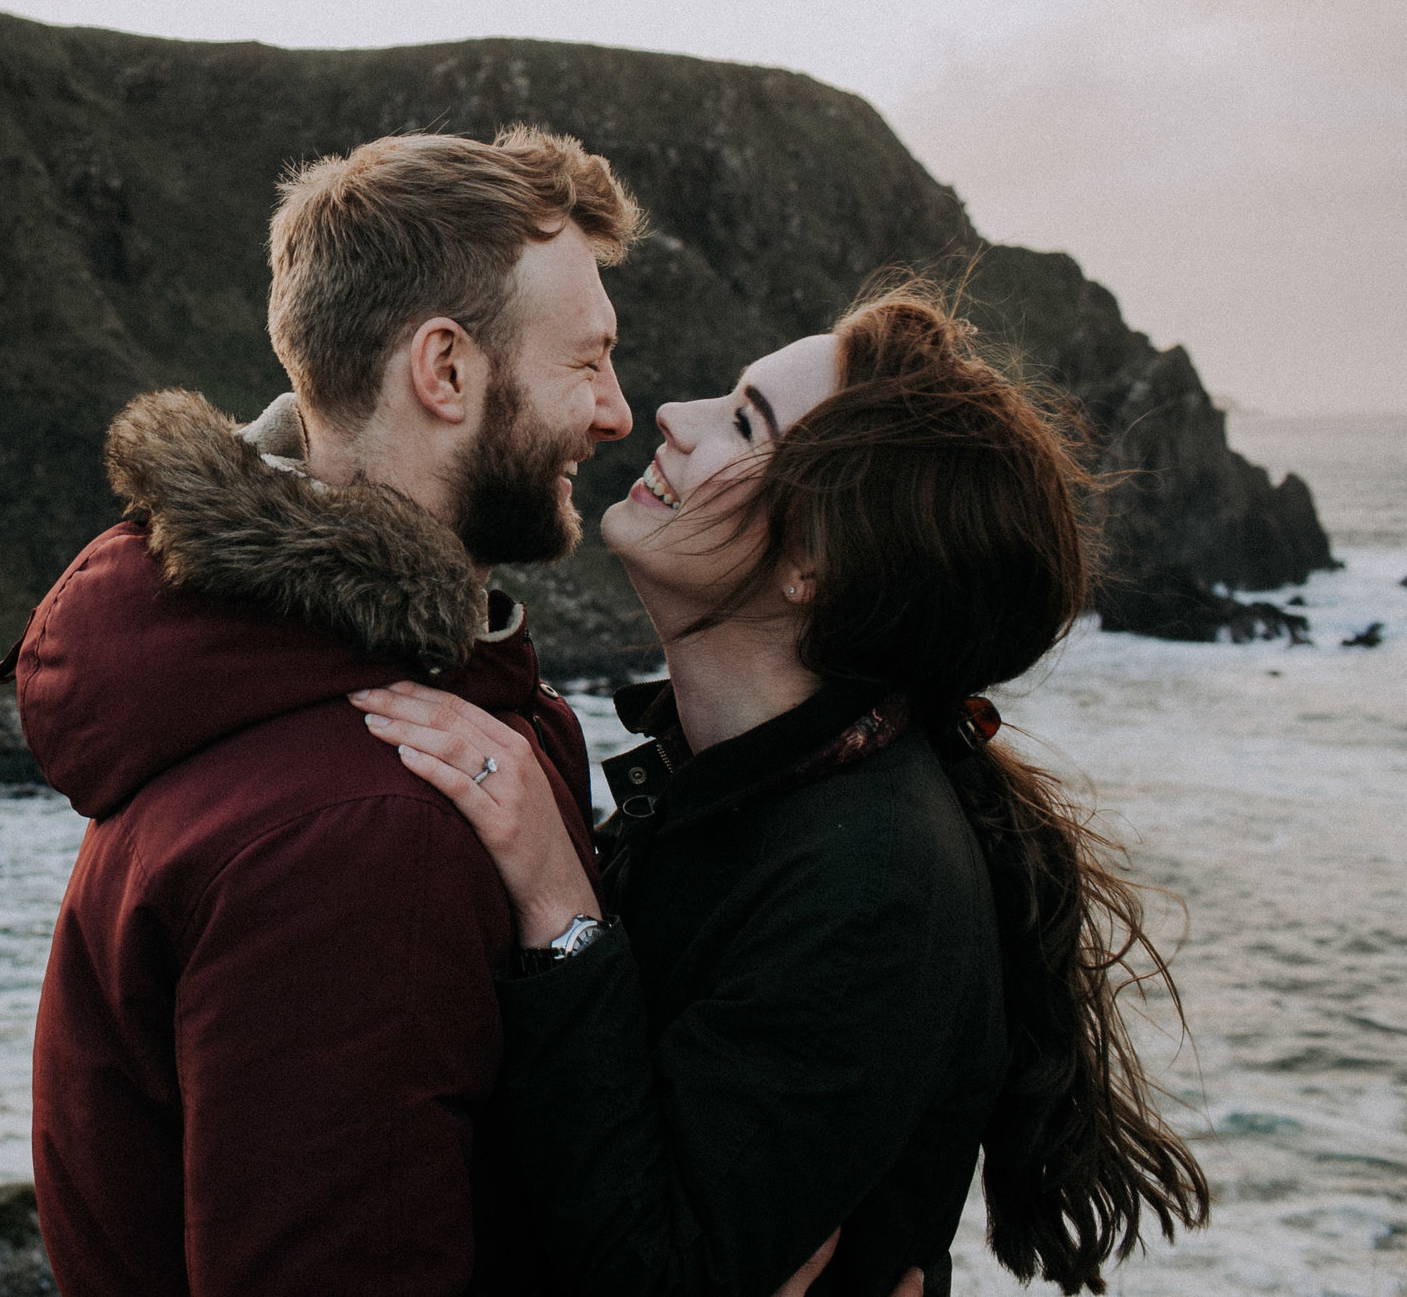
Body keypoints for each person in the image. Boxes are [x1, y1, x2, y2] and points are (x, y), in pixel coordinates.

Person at [354, 281, 1212, 1297]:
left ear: (813, 558)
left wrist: (562, 909)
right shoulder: (739, 790)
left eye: (744, 419)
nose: (671, 415)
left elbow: (657, 1270)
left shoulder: (872, 877)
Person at [0, 128, 637, 1295]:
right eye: (587, 362)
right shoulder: (363, 827)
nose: (616, 413)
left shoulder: (289, 681)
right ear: (444, 370)